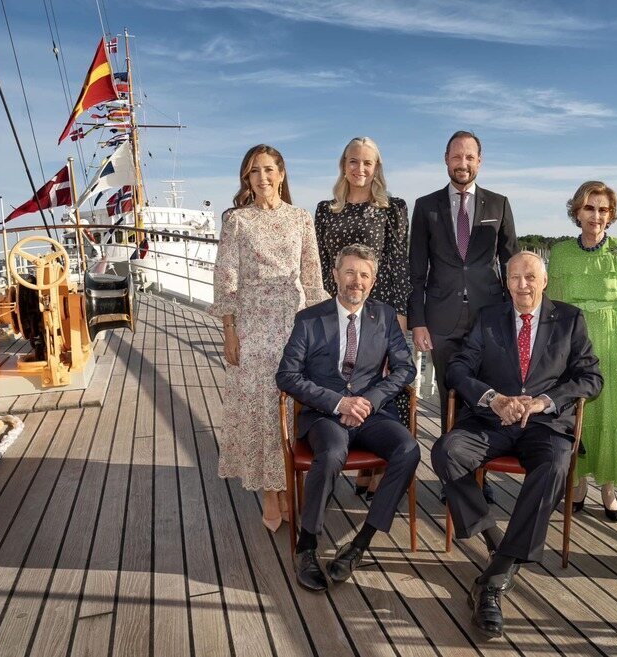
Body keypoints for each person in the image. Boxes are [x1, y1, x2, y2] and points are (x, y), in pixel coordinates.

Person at [431, 251, 603, 638]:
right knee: (446, 451)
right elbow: (458, 368)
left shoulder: (569, 320)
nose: (521, 285)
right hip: (494, 420)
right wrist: (493, 398)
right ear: (505, 282)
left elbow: (590, 377)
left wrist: (546, 401)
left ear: (545, 281)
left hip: (544, 424)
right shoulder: (488, 317)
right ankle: (499, 543)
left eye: (530, 277)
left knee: (556, 464)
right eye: (513, 278)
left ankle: (493, 580)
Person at [276, 244, 420, 592]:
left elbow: (405, 369)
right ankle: (307, 545)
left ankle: (359, 545)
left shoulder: (384, 317)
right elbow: (287, 376)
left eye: (365, 275)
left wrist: (369, 401)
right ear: (336, 275)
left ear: (372, 281)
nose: (357, 281)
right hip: (325, 414)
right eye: (351, 272)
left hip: (371, 411)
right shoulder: (309, 319)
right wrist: (339, 403)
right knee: (331, 454)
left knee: (409, 450)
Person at [210, 144, 329, 533]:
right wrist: (229, 331)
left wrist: (326, 330)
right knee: (260, 407)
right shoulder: (237, 221)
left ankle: (288, 482)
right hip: (251, 322)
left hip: (294, 322)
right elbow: (225, 278)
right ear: (247, 178)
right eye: (254, 172)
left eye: (268, 170)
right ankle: (269, 490)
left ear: (281, 173)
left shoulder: (300, 219)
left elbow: (312, 279)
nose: (262, 177)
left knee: (292, 406)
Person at [409, 130, 519, 503]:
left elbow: (511, 264)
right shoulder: (426, 206)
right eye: (457, 157)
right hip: (441, 320)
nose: (463, 164)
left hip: (490, 320)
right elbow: (416, 271)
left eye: (470, 157)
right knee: (450, 394)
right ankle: (452, 476)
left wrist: (516, 315)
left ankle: (479, 474)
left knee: (488, 395)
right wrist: (418, 320)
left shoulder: (499, 205)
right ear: (446, 159)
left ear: (480, 161)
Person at [546, 181, 617, 522]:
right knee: (579, 414)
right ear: (577, 212)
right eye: (589, 208)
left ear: (611, 215)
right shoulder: (561, 253)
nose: (596, 216)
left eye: (603, 210)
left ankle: (608, 486)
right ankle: (577, 483)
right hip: (576, 342)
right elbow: (555, 305)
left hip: (616, 340)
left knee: (615, 412)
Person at [315, 137, 411, 498]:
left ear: (377, 168)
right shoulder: (327, 210)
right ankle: (351, 453)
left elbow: (398, 264)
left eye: (368, 163)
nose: (360, 168)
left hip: (382, 310)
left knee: (384, 383)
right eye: (353, 161)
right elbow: (324, 265)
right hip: (340, 309)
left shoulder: (393, 208)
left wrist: (399, 318)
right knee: (344, 379)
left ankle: (379, 466)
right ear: (343, 164)